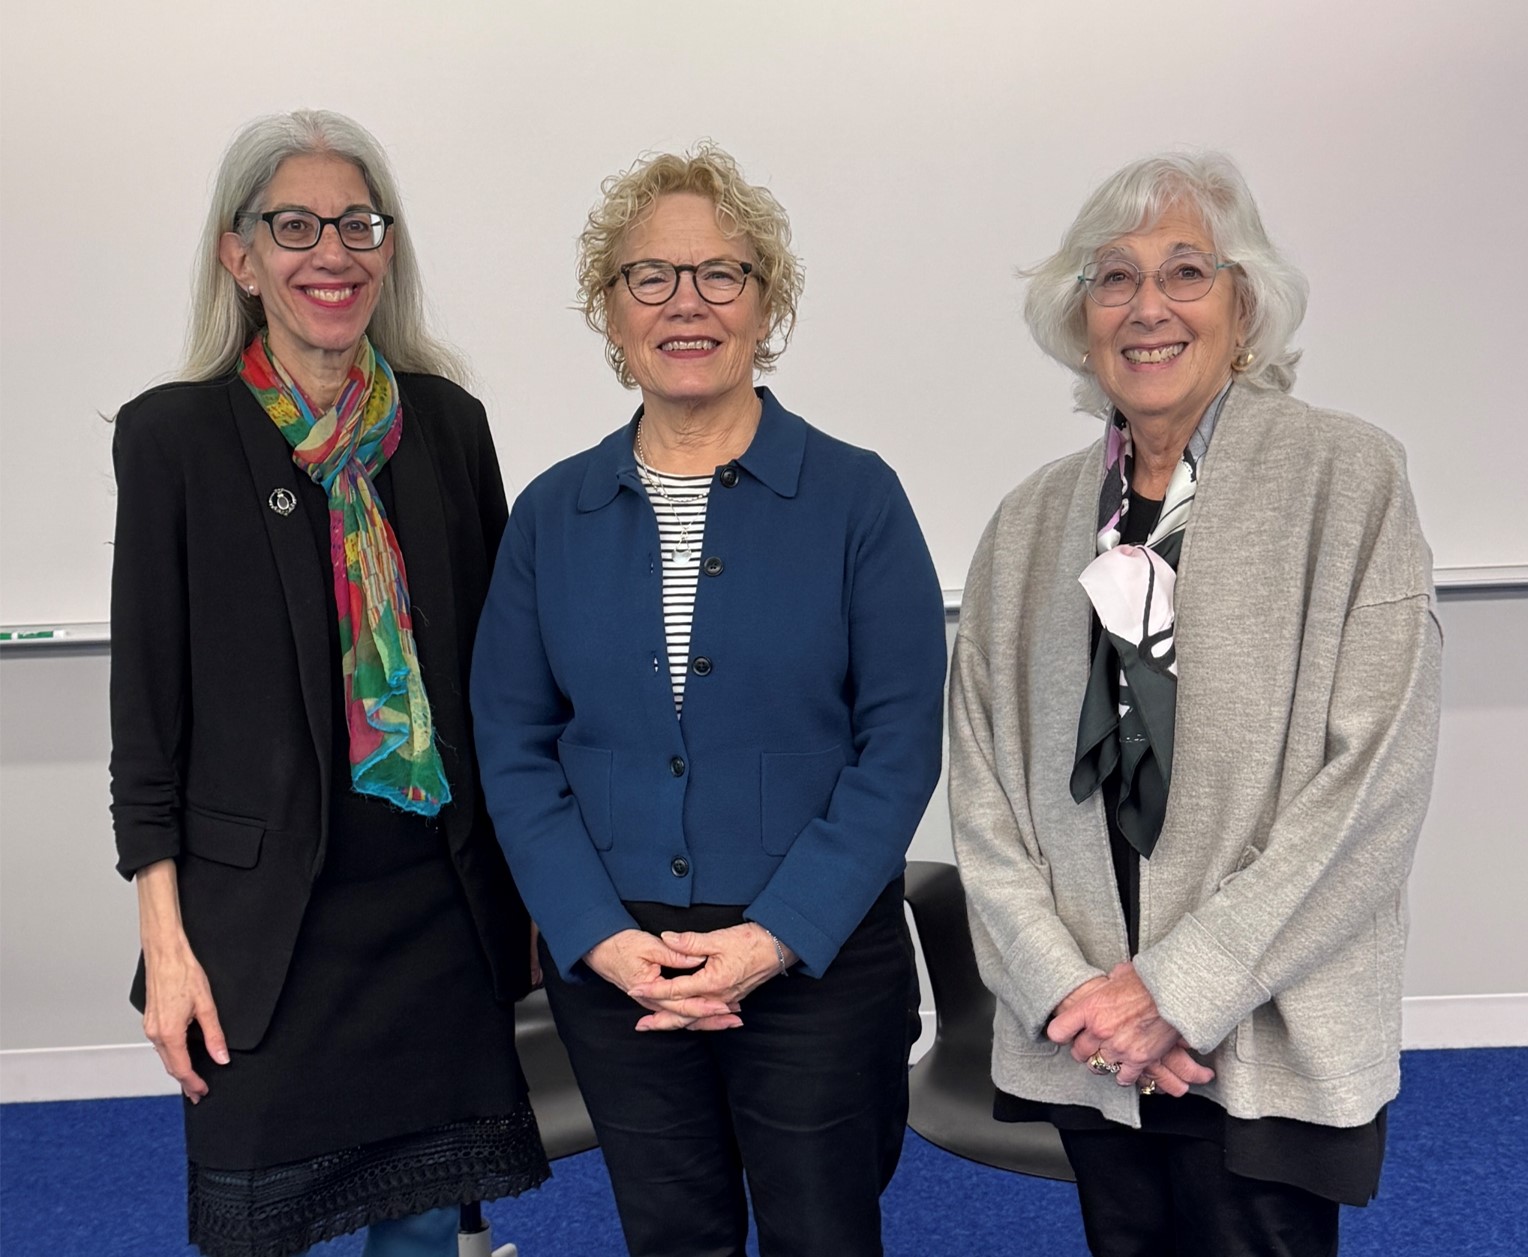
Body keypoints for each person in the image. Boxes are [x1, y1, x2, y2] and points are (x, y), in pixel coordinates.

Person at [949, 151, 1442, 1256]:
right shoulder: (1025, 524)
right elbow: (983, 800)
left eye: (1185, 271)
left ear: (1245, 303)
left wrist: (1176, 991)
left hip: (1263, 1029)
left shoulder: (1349, 478)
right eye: (1111, 279)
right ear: (1078, 322)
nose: (1146, 307)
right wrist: (1076, 993)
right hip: (1092, 1035)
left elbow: (1373, 786)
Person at [470, 142, 947, 1257]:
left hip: (817, 959)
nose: (686, 304)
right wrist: (597, 937)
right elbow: (513, 744)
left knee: (824, 1236)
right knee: (672, 1237)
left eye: (720, 274)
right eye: (650, 276)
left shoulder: (857, 498)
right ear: (610, 308)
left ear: (764, 302)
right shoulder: (552, 514)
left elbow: (898, 744)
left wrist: (773, 937)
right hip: (619, 966)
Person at [109, 110, 548, 1257]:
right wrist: (165, 942)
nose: (331, 253)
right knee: (257, 1233)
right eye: (292, 225)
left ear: (387, 249)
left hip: (435, 911)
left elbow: (500, 689)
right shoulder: (175, 440)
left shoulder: (446, 427)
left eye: (356, 222)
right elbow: (146, 721)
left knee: (419, 1229)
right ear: (239, 255)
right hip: (261, 930)